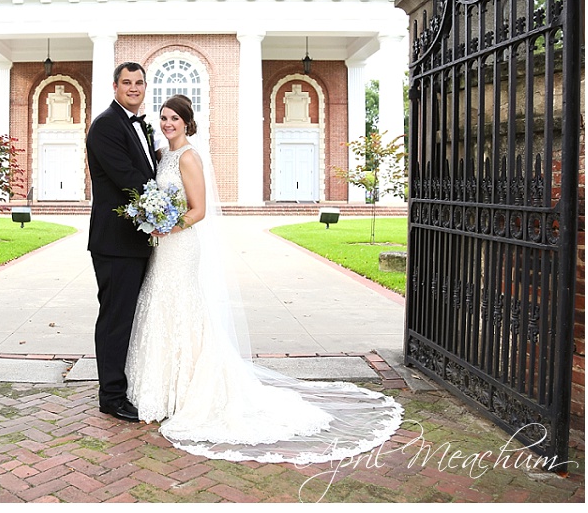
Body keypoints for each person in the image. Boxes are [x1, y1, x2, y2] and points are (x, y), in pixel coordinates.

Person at [125, 94, 404, 464]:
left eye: (174, 118)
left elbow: (200, 210)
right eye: (164, 117)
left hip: (179, 244)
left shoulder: (189, 157)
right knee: (159, 304)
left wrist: (167, 224)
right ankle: (164, 389)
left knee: (181, 306)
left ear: (188, 122)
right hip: (163, 247)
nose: (167, 123)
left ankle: (191, 390)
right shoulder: (163, 156)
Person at [86, 61, 157, 422]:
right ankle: (111, 396)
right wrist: (167, 201)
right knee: (115, 319)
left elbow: (145, 169)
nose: (133, 87)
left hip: (136, 240)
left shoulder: (139, 126)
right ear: (114, 86)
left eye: (139, 82)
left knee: (129, 318)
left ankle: (124, 386)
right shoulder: (106, 126)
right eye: (126, 82)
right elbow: (128, 178)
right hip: (115, 242)